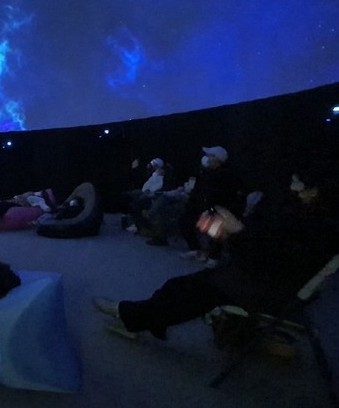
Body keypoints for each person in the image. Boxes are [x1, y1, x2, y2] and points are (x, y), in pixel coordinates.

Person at [93, 169, 339, 340]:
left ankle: (129, 315)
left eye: (297, 183)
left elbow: (266, 262)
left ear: (314, 190)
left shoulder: (318, 228)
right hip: (265, 280)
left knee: (189, 290)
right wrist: (232, 234)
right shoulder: (316, 219)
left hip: (269, 291)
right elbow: (269, 253)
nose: (293, 187)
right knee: (180, 286)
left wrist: (236, 232)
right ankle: (149, 319)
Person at [178, 146, 245, 266]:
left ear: (217, 158)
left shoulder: (226, 175)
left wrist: (213, 209)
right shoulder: (206, 172)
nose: (207, 158)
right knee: (185, 221)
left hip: (218, 209)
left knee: (214, 229)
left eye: (210, 155)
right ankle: (196, 249)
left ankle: (214, 256)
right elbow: (198, 191)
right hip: (200, 207)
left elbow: (227, 196)